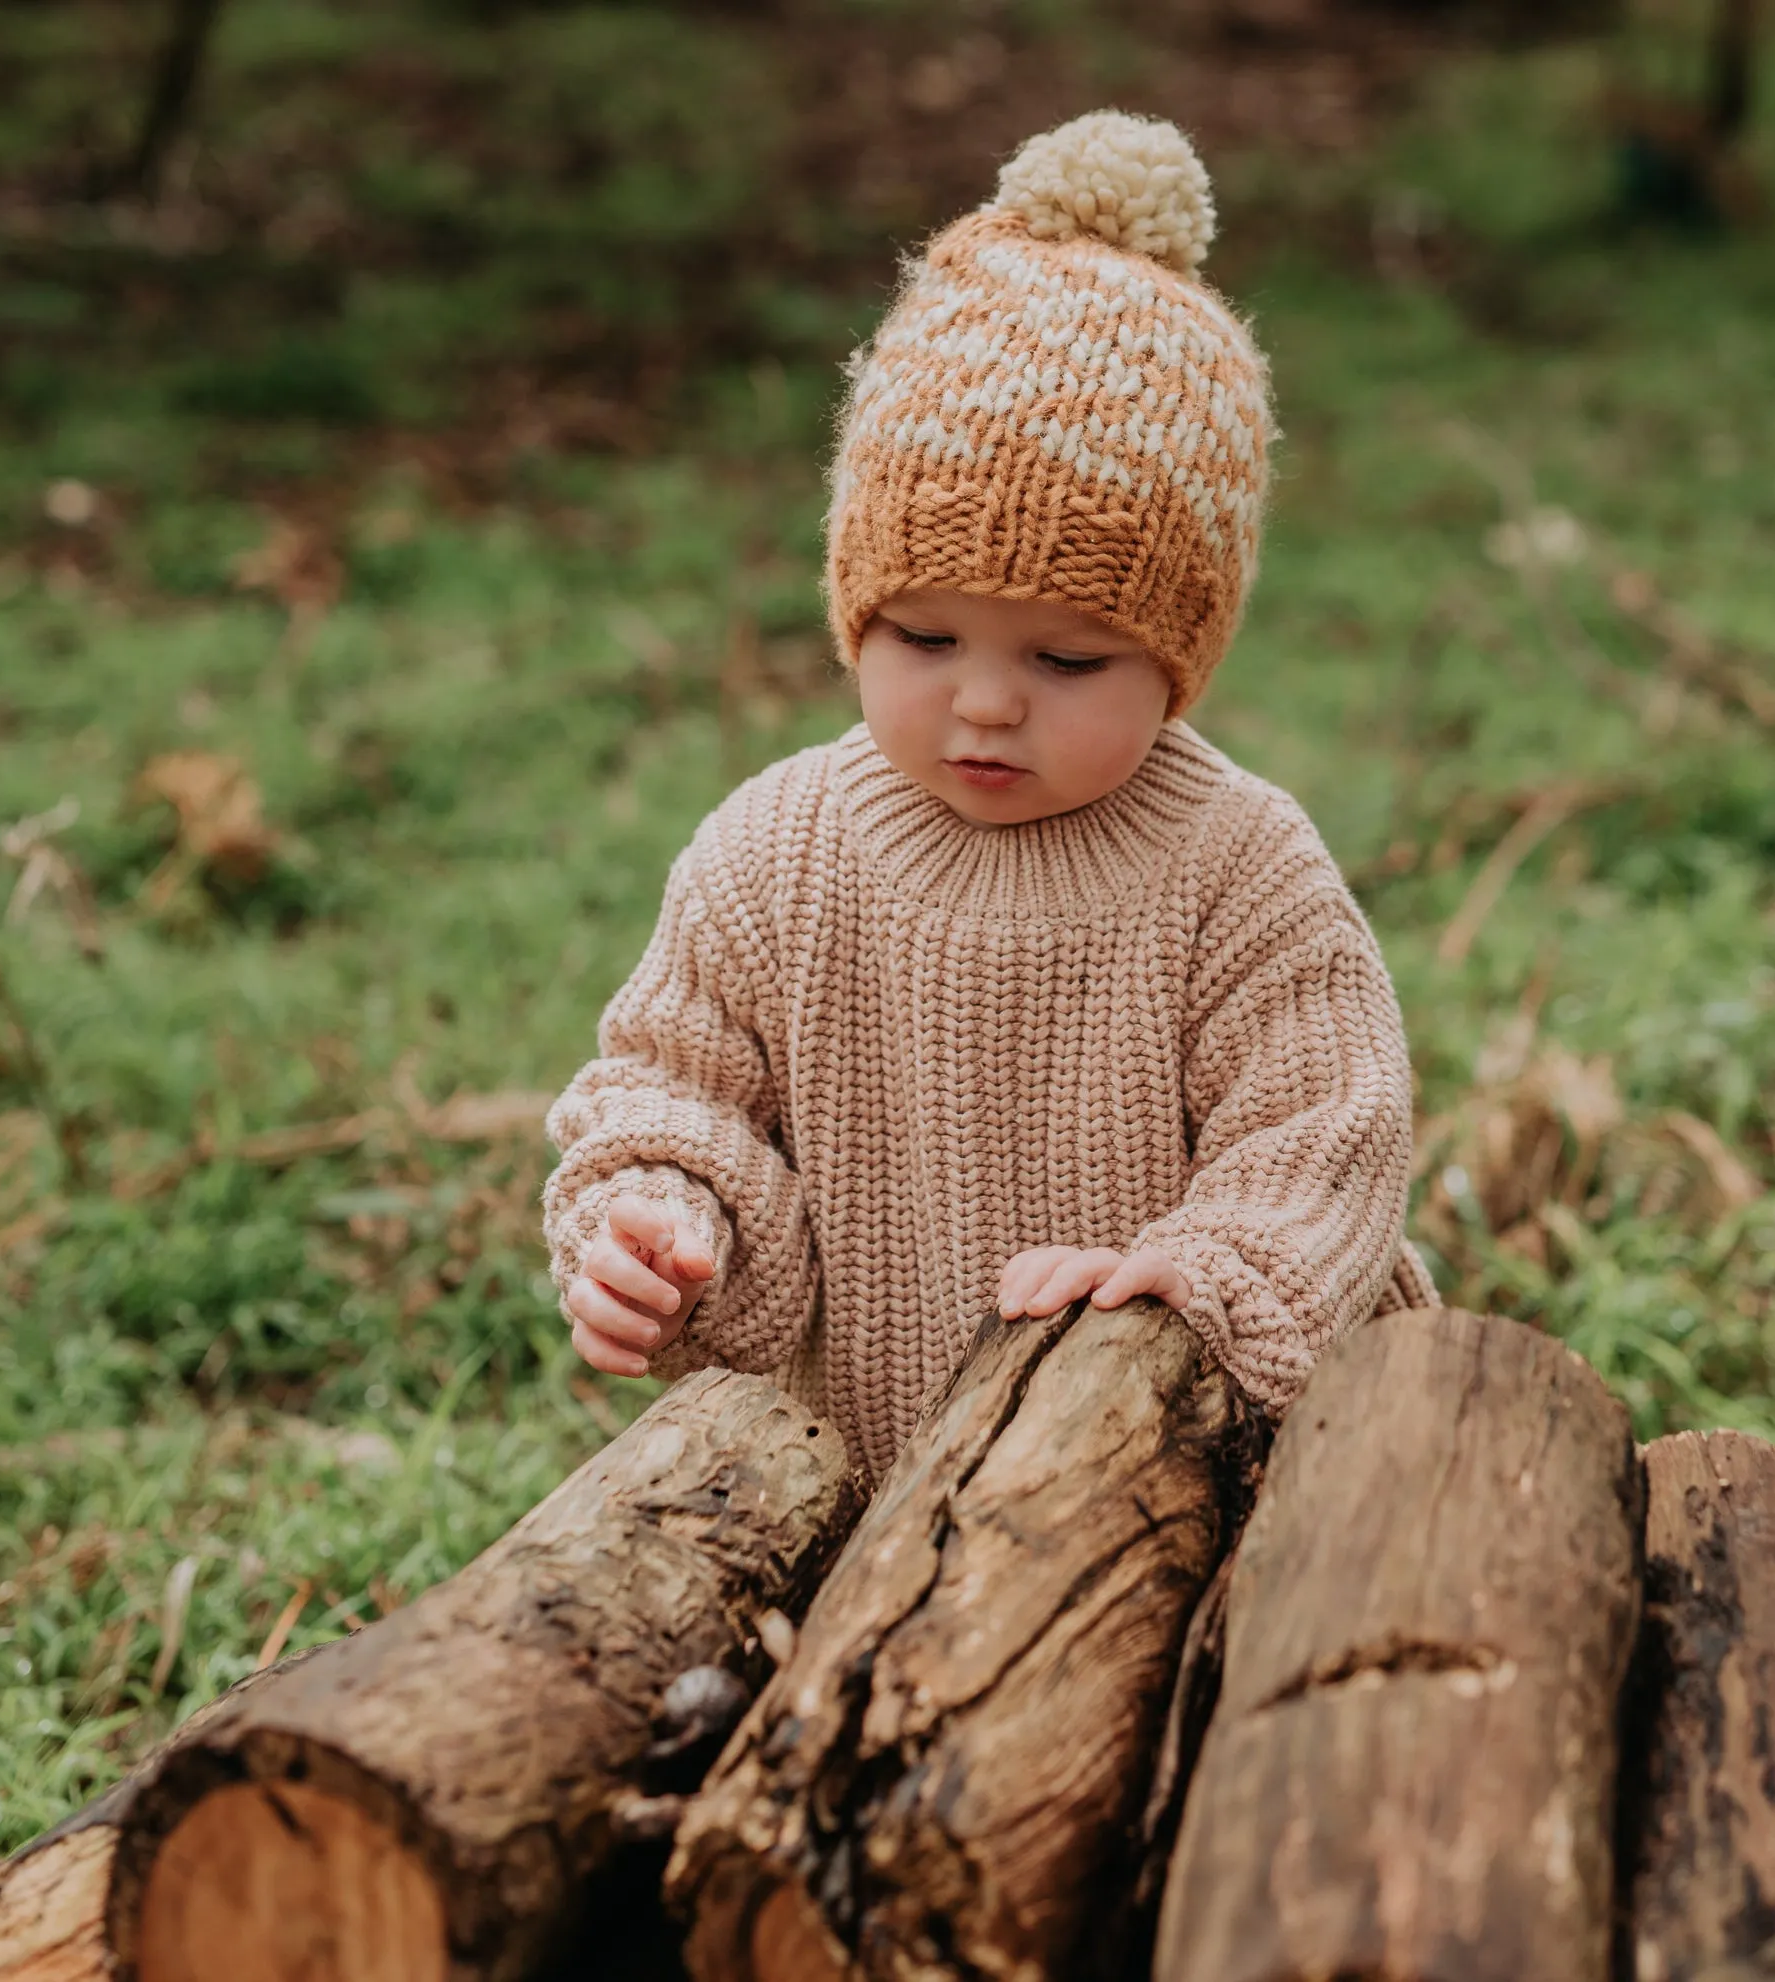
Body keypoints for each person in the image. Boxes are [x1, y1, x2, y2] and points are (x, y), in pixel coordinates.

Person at [542, 110, 1436, 1482]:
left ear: (1180, 654)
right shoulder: (775, 854)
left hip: (1187, 1473)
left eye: (1067, 656)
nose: (986, 701)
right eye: (923, 637)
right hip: (872, 1476)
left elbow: (1325, 1133)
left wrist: (1193, 1282)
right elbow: (676, 1085)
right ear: (856, 606)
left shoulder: (1236, 865)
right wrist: (662, 1225)